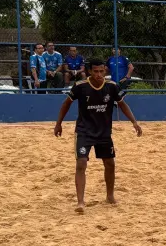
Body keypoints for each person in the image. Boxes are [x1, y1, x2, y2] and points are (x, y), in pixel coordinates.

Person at [54, 58, 143, 213]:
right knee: (81, 163)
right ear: (89, 71)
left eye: (101, 71)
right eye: (95, 71)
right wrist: (58, 123)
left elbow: (122, 104)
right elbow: (66, 103)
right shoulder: (80, 86)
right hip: (84, 131)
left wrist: (134, 122)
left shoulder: (111, 86)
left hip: (104, 133)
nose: (99, 74)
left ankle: (110, 196)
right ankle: (80, 202)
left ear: (105, 71)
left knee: (110, 164)